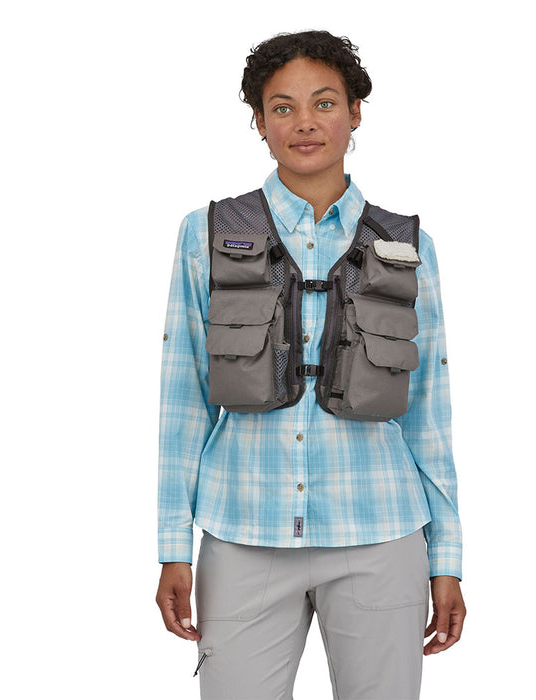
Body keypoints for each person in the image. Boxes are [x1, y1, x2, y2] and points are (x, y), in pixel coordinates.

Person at [155, 29, 466, 700]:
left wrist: (447, 556)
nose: (304, 123)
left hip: (381, 534)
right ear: (259, 121)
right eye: (282, 106)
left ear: (355, 113)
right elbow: (183, 397)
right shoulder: (204, 235)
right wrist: (172, 546)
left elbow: (430, 411)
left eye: (324, 103)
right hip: (242, 533)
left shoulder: (407, 247)